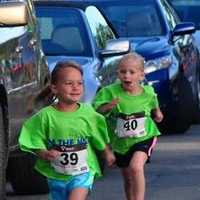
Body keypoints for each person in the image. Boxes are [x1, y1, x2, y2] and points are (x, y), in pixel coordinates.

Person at [18, 61, 115, 200]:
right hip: (56, 174)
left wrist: (106, 152)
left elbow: (97, 135)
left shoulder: (88, 113)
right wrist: (43, 153)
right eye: (69, 83)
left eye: (79, 83)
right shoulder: (45, 116)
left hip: (83, 172)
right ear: (54, 88)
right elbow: (33, 137)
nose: (75, 87)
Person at [92, 52, 163, 200]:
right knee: (128, 179)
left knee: (136, 167)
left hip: (145, 137)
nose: (127, 76)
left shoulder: (147, 92)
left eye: (132, 72)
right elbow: (96, 112)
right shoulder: (109, 92)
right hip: (121, 142)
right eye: (123, 72)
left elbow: (153, 101)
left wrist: (158, 113)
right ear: (118, 73)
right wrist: (108, 106)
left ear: (141, 75)